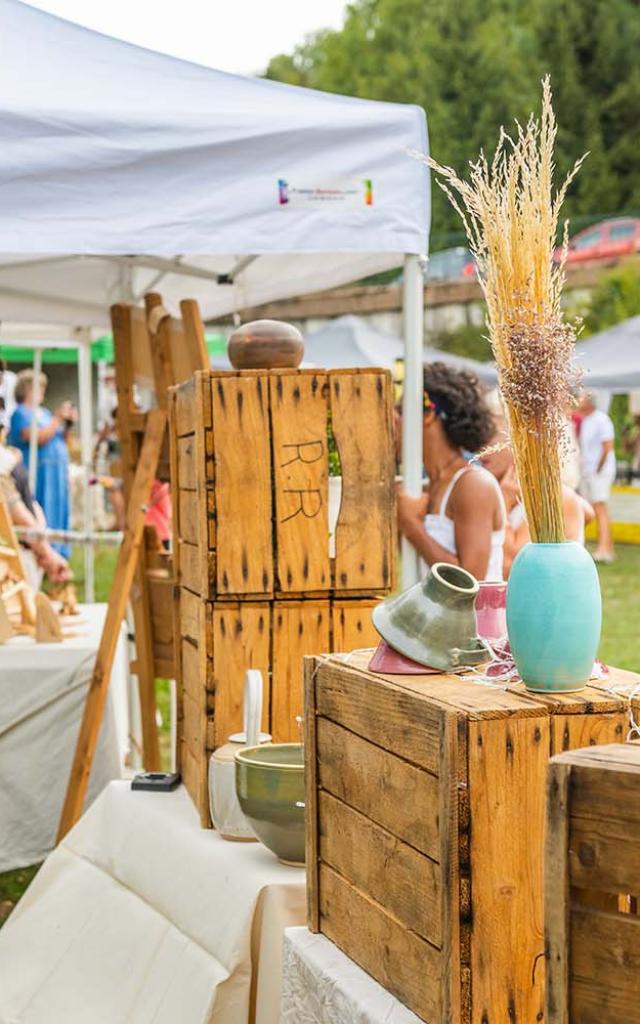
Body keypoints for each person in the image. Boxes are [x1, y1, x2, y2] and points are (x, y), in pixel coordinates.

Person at [396, 363, 505, 581]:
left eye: (401, 412)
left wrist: (412, 527)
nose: (396, 422)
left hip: (473, 616)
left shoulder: (473, 485)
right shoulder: (426, 488)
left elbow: (468, 581)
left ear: (428, 416)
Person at [8, 370, 74, 559]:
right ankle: (45, 552)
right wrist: (58, 418)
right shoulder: (19, 413)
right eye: (39, 387)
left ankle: (60, 551)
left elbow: (60, 438)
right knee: (42, 510)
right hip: (39, 472)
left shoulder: (44, 412)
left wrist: (67, 424)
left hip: (56, 471)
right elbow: (39, 437)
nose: (43, 391)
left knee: (60, 510)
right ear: (28, 389)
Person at [577, 391, 616, 563]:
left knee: (600, 508)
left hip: (599, 471)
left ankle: (605, 549)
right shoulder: (586, 420)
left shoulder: (602, 419)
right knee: (596, 509)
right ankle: (605, 546)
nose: (579, 400)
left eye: (582, 397)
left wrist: (598, 469)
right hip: (589, 471)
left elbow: (607, 447)